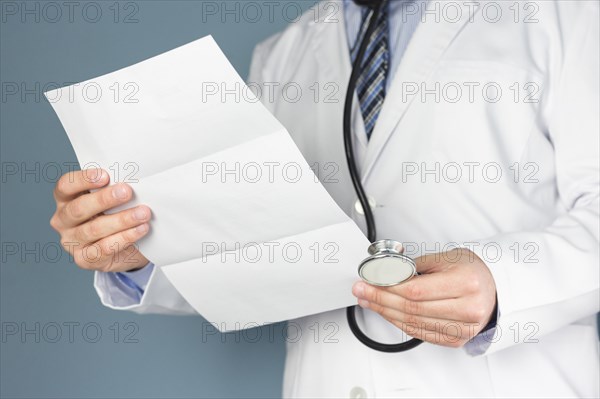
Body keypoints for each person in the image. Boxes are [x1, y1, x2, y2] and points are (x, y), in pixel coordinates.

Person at [50, 0, 599, 397]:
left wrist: (503, 282)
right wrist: (142, 253)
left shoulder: (566, 15)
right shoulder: (283, 53)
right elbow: (250, 250)